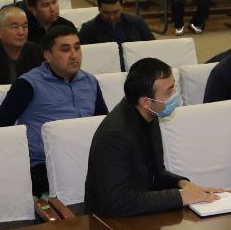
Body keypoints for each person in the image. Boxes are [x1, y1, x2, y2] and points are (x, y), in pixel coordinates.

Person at [83, 57, 223, 217]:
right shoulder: (114, 135)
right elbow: (117, 202)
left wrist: (184, 184)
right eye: (169, 91)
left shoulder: (150, 115)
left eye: (174, 87)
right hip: (107, 223)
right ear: (146, 102)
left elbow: (156, 174)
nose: (175, 95)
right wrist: (181, 197)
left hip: (140, 213)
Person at [0, 20, 108, 195]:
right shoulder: (27, 84)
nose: (74, 55)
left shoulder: (90, 81)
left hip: (86, 158)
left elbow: (104, 124)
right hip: (44, 165)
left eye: (77, 48)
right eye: (65, 49)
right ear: (48, 55)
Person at [79, 0, 154, 50]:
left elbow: (152, 46)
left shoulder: (137, 22)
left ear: (122, 7)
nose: (111, 17)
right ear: (99, 9)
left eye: (115, 12)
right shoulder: (88, 29)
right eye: (106, 13)